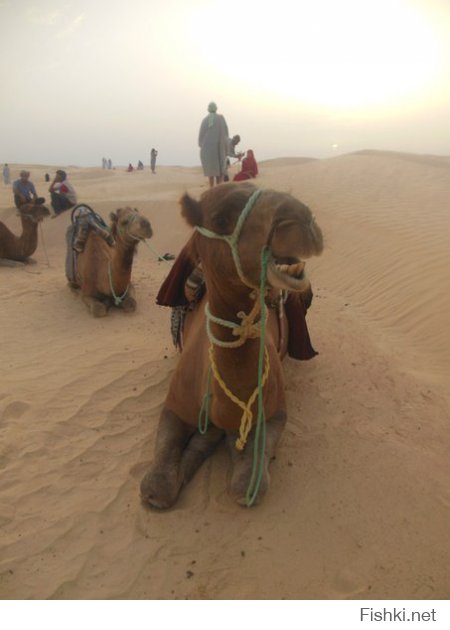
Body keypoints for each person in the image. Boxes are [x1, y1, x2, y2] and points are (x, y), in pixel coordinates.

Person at [198, 102, 229, 187]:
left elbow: (200, 140)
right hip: (219, 149)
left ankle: (212, 189)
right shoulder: (221, 118)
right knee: (219, 172)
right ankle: (218, 190)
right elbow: (226, 134)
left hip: (207, 151)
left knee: (211, 174)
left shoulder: (204, 120)